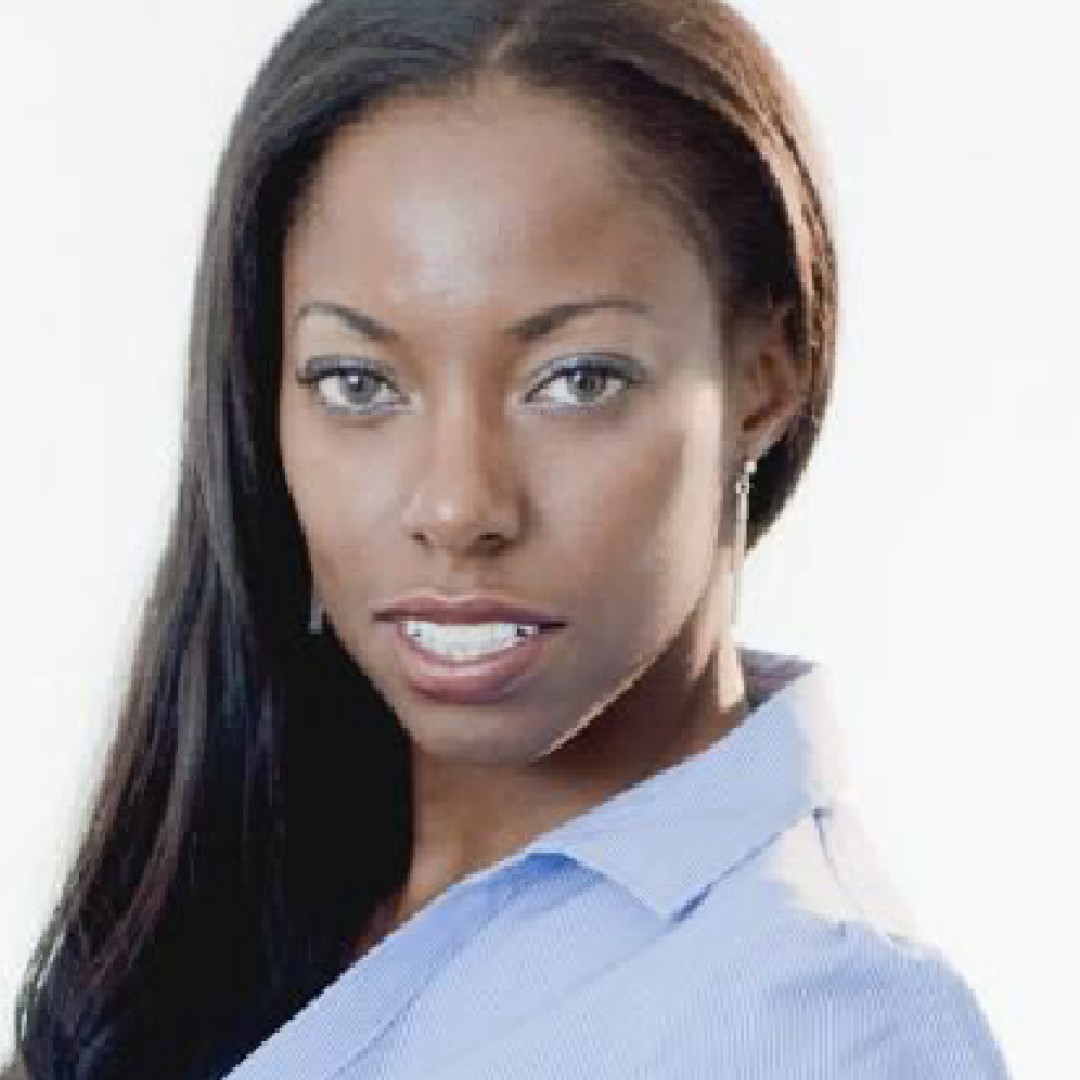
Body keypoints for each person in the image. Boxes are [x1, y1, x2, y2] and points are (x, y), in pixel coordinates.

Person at [3, 1, 1013, 1077]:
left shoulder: (828, 1026)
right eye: (358, 383)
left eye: (576, 380)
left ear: (768, 372)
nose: (457, 507)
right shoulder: (222, 881)